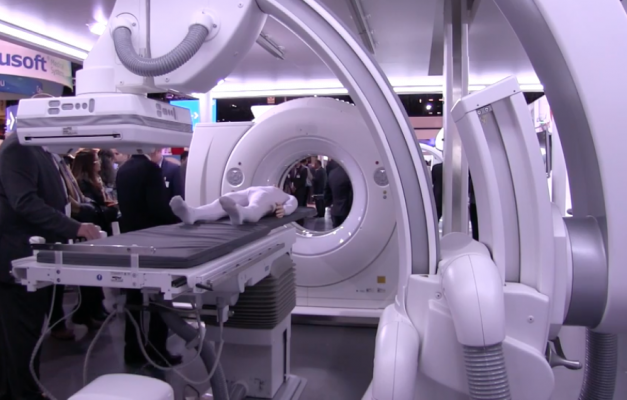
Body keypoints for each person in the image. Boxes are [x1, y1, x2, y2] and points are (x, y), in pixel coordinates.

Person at [0, 133, 100, 400]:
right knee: (21, 338)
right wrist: (74, 227)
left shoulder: (43, 150)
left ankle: (21, 391)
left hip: (39, 256)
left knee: (29, 334)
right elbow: (25, 202)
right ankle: (25, 394)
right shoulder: (19, 148)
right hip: (18, 260)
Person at [116, 149, 182, 367]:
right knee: (160, 296)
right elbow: (158, 208)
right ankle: (157, 349)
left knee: (133, 296)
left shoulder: (123, 170)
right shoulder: (151, 170)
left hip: (130, 239)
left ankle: (132, 349)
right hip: (154, 241)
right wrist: (178, 223)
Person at [71, 150, 119, 328]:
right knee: (90, 272)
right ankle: (88, 309)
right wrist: (109, 211)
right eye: (95, 160)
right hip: (89, 233)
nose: (99, 163)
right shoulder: (83, 183)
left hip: (97, 230)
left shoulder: (92, 181)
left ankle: (93, 307)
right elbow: (88, 211)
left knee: (95, 270)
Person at [170, 186, 297, 226]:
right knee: (222, 201)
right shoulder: (268, 186)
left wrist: (284, 209)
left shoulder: (285, 195)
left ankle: (241, 213)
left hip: (266, 197)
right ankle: (192, 213)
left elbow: (293, 202)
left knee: (256, 206)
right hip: (248, 191)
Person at [324, 160, 353, 228]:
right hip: (347, 209)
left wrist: (328, 203)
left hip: (334, 209)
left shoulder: (332, 173)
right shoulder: (349, 174)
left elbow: (327, 191)